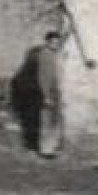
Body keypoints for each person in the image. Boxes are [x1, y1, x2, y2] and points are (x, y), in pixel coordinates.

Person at [37, 30, 66, 158]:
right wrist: (46, 96)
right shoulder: (45, 55)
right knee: (47, 121)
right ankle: (45, 150)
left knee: (55, 120)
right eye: (53, 42)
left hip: (56, 91)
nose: (55, 44)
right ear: (48, 42)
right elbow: (43, 77)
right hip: (49, 92)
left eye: (57, 42)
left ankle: (52, 148)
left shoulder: (54, 54)